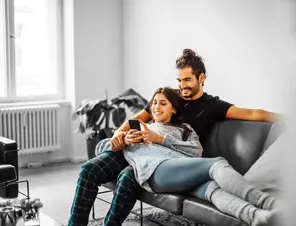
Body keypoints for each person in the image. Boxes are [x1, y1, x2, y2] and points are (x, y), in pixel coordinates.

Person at [68, 49, 281, 226]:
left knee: (127, 178)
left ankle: (261, 215)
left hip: (169, 160)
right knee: (89, 170)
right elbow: (139, 117)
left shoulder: (212, 106)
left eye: (187, 80)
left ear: (201, 78)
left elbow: (254, 114)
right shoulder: (168, 98)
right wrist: (119, 136)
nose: (182, 86)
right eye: (179, 80)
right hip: (137, 149)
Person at [122, 86, 277, 226]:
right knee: (216, 163)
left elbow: (196, 151)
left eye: (163, 103)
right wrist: (125, 139)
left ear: (173, 109)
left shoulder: (185, 129)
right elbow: (122, 150)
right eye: (154, 103)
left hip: (183, 173)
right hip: (156, 171)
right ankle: (269, 203)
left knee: (213, 189)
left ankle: (257, 217)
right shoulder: (144, 128)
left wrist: (161, 139)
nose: (156, 107)